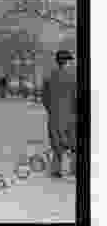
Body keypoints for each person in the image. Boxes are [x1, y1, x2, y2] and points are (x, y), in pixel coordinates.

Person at [42, 50, 76, 178]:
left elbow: (44, 98)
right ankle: (74, 169)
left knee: (57, 144)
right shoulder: (74, 77)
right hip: (71, 116)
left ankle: (56, 170)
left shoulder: (49, 76)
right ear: (67, 62)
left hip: (55, 116)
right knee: (74, 144)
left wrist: (51, 110)